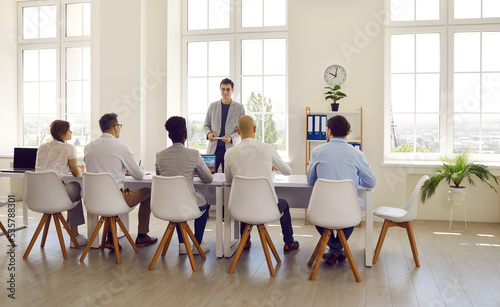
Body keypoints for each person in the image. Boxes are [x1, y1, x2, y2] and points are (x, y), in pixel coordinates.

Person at [224, 115, 300, 254]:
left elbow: (229, 180)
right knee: (284, 204)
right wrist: (271, 166)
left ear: (238, 131)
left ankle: (245, 241)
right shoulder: (267, 148)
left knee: (245, 200)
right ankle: (289, 243)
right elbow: (287, 171)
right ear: (255, 129)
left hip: (240, 208)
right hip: (266, 209)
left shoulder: (230, 153)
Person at [307, 115, 376, 265]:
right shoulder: (356, 153)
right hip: (348, 210)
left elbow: (311, 180)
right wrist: (355, 180)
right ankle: (337, 249)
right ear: (347, 132)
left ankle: (334, 249)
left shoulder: (317, 151)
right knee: (354, 210)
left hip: (322, 209)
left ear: (329, 131)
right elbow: (371, 182)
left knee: (316, 213)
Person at [84, 113, 157, 249]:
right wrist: (136, 169)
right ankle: (142, 236)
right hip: (116, 200)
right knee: (148, 192)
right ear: (115, 127)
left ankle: (111, 238)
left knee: (110, 194)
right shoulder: (121, 147)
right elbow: (139, 175)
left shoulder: (88, 147)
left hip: (93, 200)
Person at [156, 116, 213, 255]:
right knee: (204, 204)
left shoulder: (160, 155)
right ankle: (197, 244)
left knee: (176, 203)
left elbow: (159, 175)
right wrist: (193, 171)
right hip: (187, 204)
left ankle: (182, 243)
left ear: (169, 135)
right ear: (186, 135)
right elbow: (207, 178)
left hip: (166, 204)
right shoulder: (193, 154)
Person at [35, 120, 87, 248]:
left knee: (70, 189)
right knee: (77, 186)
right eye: (69, 130)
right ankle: (74, 235)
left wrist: (67, 168)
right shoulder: (69, 148)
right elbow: (76, 173)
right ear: (62, 133)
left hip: (38, 196)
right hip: (56, 195)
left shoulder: (42, 147)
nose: (71, 132)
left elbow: (50, 168)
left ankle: (70, 224)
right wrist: (81, 168)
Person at [203, 78, 245, 172]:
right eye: (223, 89)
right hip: (213, 148)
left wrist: (231, 137)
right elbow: (206, 125)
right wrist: (209, 133)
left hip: (230, 148)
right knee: (208, 176)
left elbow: (241, 130)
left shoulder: (239, 108)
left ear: (232, 90)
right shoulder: (212, 106)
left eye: (228, 89)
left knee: (230, 178)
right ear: (220, 89)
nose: (225, 92)